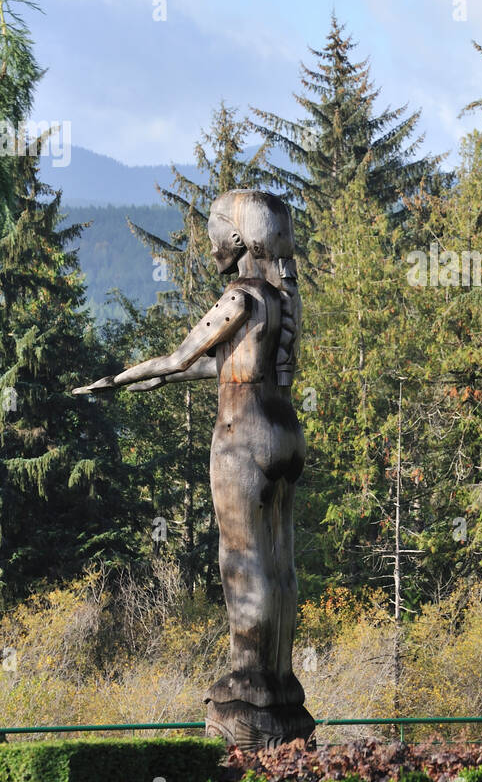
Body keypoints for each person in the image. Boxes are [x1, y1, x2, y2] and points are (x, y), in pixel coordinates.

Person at [74, 190, 313, 750]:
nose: (208, 248)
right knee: (280, 559)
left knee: (242, 559)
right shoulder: (284, 297)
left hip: (241, 435)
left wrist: (123, 377)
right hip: (283, 429)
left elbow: (184, 353)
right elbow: (230, 364)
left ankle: (249, 679)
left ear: (236, 238)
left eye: (212, 237)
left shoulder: (240, 294)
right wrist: (161, 378)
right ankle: (279, 677)